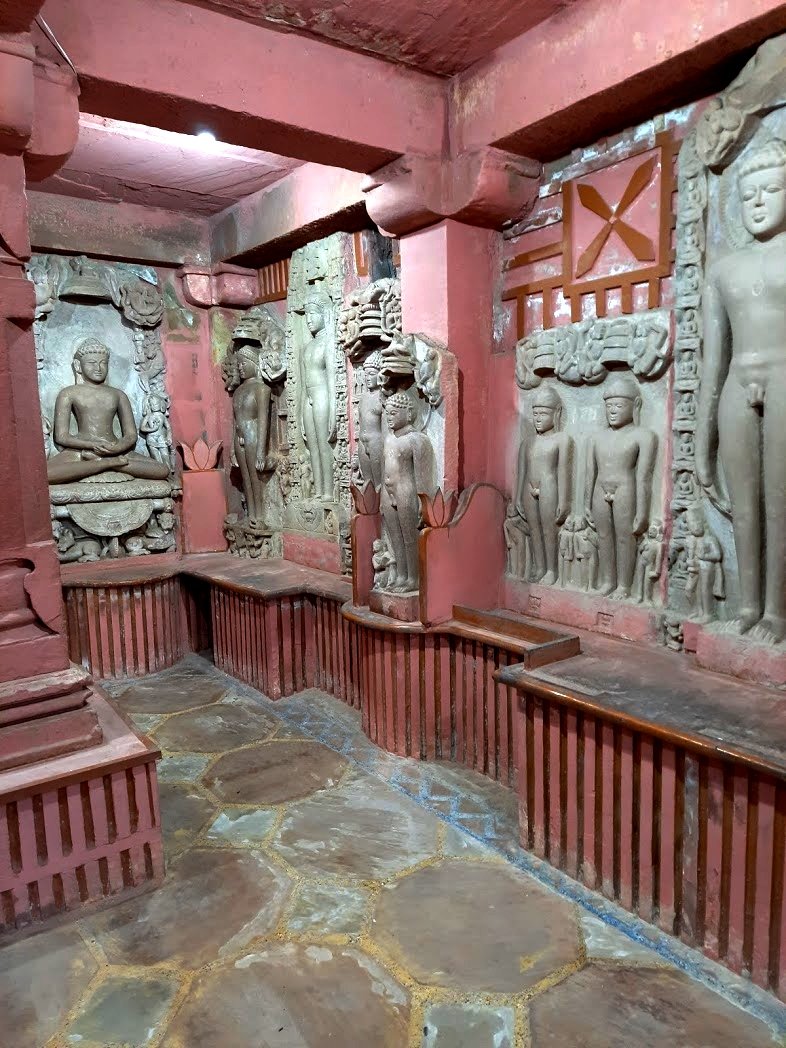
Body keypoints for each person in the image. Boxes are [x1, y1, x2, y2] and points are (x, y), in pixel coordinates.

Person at [697, 137, 786, 643]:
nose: (757, 203)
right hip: (736, 382)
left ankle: (778, 611)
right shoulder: (724, 269)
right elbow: (713, 361)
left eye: (770, 190)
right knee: (744, 504)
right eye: (748, 194)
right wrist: (701, 441)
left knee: (779, 501)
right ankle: (748, 604)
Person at [47, 339, 170, 485]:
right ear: (78, 366)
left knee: (162, 470)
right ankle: (107, 463)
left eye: (103, 363)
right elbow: (62, 437)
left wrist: (118, 447)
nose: (98, 368)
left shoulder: (118, 394)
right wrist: (91, 445)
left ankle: (106, 462)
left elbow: (131, 435)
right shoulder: (69, 393)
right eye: (92, 363)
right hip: (81, 450)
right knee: (47, 474)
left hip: (114, 448)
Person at [585, 375, 657, 599]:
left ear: (635, 405)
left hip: (625, 489)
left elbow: (644, 477)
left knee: (626, 537)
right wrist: (586, 503)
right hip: (599, 489)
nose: (612, 411)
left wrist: (642, 512)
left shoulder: (644, 436)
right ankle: (608, 581)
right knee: (604, 536)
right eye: (609, 406)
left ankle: (624, 585)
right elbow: (590, 473)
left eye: (618, 405)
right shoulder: (595, 438)